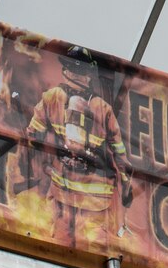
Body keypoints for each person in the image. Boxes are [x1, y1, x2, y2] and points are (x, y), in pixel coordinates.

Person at [24, 46, 131, 249]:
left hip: (75, 196)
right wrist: (126, 185)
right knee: (87, 251)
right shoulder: (103, 108)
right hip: (90, 199)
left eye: (78, 71)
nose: (77, 75)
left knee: (58, 248)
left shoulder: (52, 98)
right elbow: (120, 155)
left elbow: (32, 136)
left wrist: (45, 164)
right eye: (75, 71)